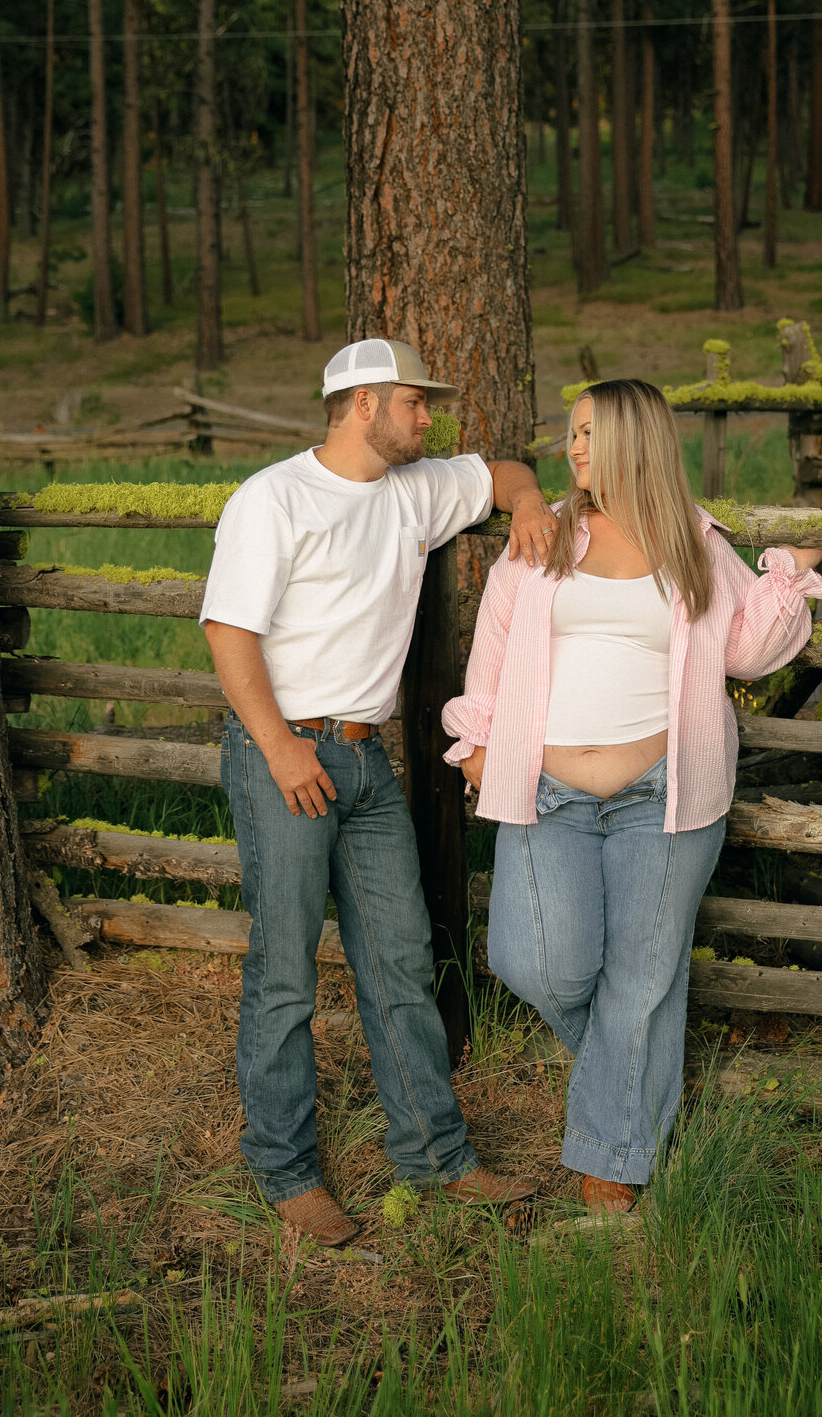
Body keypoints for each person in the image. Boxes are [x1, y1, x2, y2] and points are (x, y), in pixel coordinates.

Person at [442, 379, 822, 1214]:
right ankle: (635, 1090)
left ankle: (614, 1161)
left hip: (668, 791)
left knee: (643, 978)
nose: (572, 449)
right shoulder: (541, 535)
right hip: (547, 789)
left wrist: (797, 566)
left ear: (634, 439)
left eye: (587, 433)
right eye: (571, 434)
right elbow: (496, 646)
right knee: (535, 959)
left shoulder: (693, 542)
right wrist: (476, 741)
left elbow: (747, 652)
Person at [201, 338, 552, 1245]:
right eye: (412, 403)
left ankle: (437, 1158)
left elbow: (509, 470)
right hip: (287, 758)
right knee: (284, 975)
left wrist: (528, 505)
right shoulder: (272, 499)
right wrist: (279, 749)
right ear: (362, 405)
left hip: (366, 765)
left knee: (399, 962)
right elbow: (228, 631)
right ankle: (284, 1170)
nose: (427, 418)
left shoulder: (417, 489)